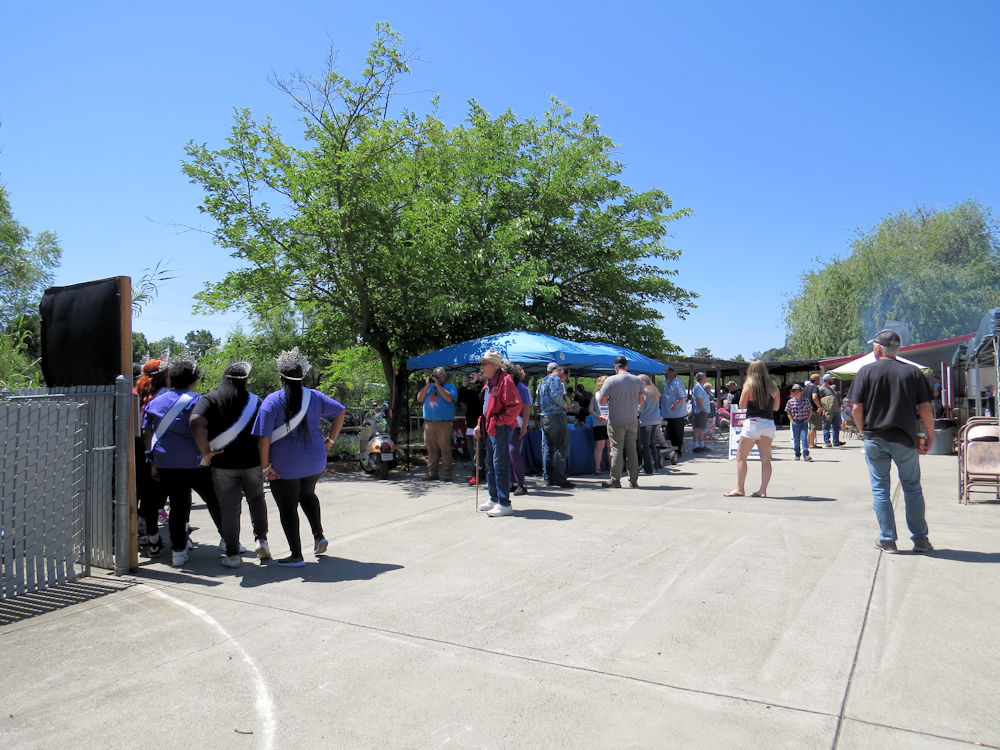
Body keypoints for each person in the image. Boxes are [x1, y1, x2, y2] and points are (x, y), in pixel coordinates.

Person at [253, 348, 346, 567]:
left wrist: (265, 467)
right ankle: (319, 536)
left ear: (281, 378)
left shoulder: (271, 401)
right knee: (308, 494)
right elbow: (340, 411)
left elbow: (263, 439)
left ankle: (296, 555)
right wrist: (331, 440)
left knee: (288, 507)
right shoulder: (315, 396)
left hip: (285, 465)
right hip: (315, 460)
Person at [848, 329, 934, 553]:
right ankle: (920, 539)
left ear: (878, 349)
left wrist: (863, 430)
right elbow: (925, 407)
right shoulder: (913, 372)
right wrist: (930, 435)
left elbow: (856, 407)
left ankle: (888, 539)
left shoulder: (866, 372)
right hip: (906, 439)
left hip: (875, 438)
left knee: (880, 490)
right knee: (912, 488)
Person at [142, 354, 224, 568]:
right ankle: (228, 540)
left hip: (166, 462)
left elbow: (147, 433)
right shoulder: (199, 401)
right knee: (214, 500)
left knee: (178, 506)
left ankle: (178, 552)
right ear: (193, 380)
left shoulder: (155, 403)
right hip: (196, 461)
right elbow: (207, 429)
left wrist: (152, 459)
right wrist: (207, 452)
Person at [190, 361, 270, 568]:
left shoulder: (209, 399)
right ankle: (261, 541)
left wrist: (205, 451)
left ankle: (233, 555)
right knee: (257, 500)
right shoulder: (256, 401)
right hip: (252, 462)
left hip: (223, 464)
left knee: (229, 508)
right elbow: (265, 433)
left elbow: (196, 421)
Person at [476, 350, 522, 516]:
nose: (482, 367)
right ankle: (494, 498)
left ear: (495, 365)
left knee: (499, 464)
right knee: (491, 464)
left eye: (485, 363)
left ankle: (504, 503)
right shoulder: (490, 382)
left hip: (500, 428)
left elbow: (516, 405)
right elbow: (486, 407)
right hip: (491, 427)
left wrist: (500, 421)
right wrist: (480, 424)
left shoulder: (505, 380)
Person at [725, 359, 780, 498]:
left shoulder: (749, 384)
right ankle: (763, 490)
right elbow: (776, 407)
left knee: (741, 457)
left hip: (753, 423)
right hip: (768, 423)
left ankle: (740, 488)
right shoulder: (773, 385)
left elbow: (742, 405)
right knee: (765, 459)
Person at [133, 358, 169, 557]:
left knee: (140, 493)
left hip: (134, 448)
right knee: (154, 496)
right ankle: (153, 539)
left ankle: (142, 532)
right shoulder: (164, 396)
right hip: (155, 448)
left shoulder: (134, 393)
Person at [598, 356, 644, 489]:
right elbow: (641, 401)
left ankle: (615, 480)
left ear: (615, 367)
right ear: (627, 366)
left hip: (616, 420)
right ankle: (633, 480)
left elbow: (601, 400)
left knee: (617, 449)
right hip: (632, 420)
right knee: (632, 448)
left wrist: (612, 398)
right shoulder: (637, 380)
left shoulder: (610, 380)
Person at [536, 361, 575, 489]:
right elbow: (555, 395)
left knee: (547, 448)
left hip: (544, 417)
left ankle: (548, 478)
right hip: (556, 417)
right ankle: (560, 478)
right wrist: (566, 405)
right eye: (565, 377)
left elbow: (537, 401)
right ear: (561, 371)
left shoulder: (542, 381)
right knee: (561, 448)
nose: (564, 380)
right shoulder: (555, 379)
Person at [417, 367, 458, 481]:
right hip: (429, 424)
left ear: (444, 376)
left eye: (438, 376)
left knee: (445, 450)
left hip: (444, 424)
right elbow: (419, 398)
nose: (436, 378)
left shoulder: (450, 387)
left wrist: (438, 386)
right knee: (431, 450)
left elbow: (449, 398)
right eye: (434, 376)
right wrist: (427, 385)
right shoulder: (429, 387)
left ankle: (447, 473)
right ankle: (432, 473)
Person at [508, 363, 532, 496]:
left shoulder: (522, 388)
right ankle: (513, 482)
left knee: (513, 452)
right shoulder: (506, 386)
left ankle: (521, 483)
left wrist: (524, 427)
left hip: (518, 425)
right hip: (507, 424)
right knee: (509, 453)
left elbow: (527, 407)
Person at [660, 366, 688, 458]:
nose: (665, 375)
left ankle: (678, 452)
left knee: (677, 434)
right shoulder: (668, 383)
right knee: (671, 434)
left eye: (666, 374)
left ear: (672, 374)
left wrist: (675, 404)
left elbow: (682, 396)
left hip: (677, 414)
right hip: (669, 414)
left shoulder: (677, 382)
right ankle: (674, 452)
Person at [637, 374, 661, 474]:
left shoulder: (643, 392)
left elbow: (641, 409)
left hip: (646, 421)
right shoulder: (655, 391)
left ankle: (648, 467)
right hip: (656, 420)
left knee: (645, 445)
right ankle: (655, 466)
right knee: (652, 444)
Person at [783, 383, 812, 462]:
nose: (796, 393)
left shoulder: (806, 401)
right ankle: (797, 454)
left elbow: (810, 411)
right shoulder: (790, 402)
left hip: (803, 422)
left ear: (801, 392)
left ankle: (806, 454)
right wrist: (791, 421)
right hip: (795, 422)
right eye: (794, 391)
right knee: (796, 439)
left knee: (804, 438)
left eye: (798, 391)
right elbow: (788, 412)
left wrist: (808, 419)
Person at [590, 375, 610, 474]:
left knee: (599, 447)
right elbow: (614, 408)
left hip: (598, 423)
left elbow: (590, 410)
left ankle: (597, 468)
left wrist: (598, 417)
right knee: (610, 447)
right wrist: (607, 417)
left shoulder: (595, 395)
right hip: (610, 423)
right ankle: (612, 467)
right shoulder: (611, 395)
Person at [819, 373, 843, 447]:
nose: (832, 380)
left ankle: (836, 441)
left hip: (836, 410)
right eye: (831, 379)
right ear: (827, 380)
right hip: (828, 410)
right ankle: (827, 441)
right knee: (827, 426)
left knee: (836, 426)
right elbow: (819, 399)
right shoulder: (821, 389)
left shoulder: (831, 388)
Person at [690, 372, 712, 452]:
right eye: (705, 377)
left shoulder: (701, 387)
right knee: (697, 429)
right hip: (699, 411)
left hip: (702, 411)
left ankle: (702, 445)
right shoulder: (697, 388)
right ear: (702, 378)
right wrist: (703, 410)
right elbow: (698, 400)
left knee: (701, 429)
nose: (706, 378)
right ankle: (696, 446)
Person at [804, 374, 823, 450]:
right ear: (816, 380)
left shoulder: (805, 388)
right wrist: (819, 407)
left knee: (809, 427)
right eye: (819, 380)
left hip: (806, 409)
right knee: (813, 427)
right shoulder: (815, 388)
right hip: (814, 410)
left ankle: (808, 443)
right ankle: (812, 443)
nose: (819, 381)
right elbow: (814, 397)